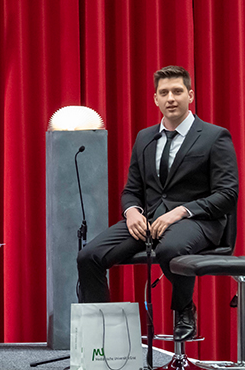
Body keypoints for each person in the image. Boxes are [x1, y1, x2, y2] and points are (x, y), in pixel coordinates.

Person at [77, 65, 238, 341]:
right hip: (149, 221)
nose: (170, 98)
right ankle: (100, 336)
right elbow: (131, 190)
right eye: (164, 93)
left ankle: (184, 309)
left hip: (198, 221)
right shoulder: (145, 137)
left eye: (177, 91)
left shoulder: (214, 136)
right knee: (88, 256)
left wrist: (180, 212)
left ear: (190, 95)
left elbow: (228, 194)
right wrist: (131, 212)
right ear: (155, 99)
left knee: (170, 248)